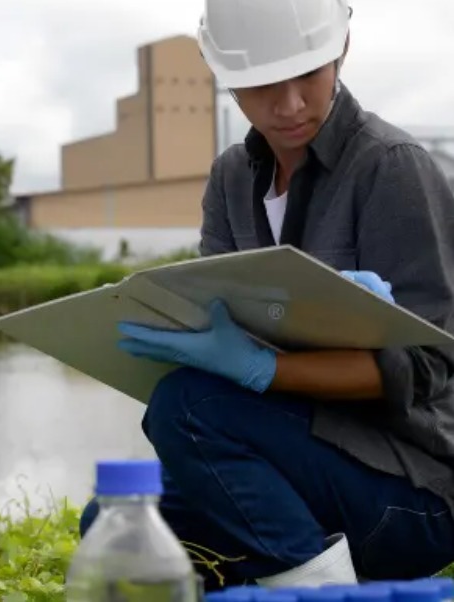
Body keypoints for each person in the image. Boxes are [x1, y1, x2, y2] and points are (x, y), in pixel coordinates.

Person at [79, 0, 454, 590]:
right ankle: (295, 566)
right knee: (112, 524)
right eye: (260, 86)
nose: (289, 106)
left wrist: (263, 369)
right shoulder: (232, 178)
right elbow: (220, 330)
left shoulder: (391, 167)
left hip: (409, 494)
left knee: (188, 407)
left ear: (341, 51)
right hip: (297, 467)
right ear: (226, 78)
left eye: (307, 75)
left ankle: (320, 589)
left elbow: (430, 368)